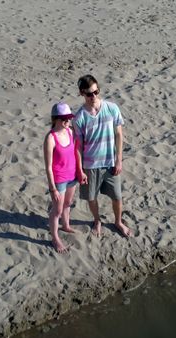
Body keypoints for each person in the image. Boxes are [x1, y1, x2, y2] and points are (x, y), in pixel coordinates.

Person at [73, 75, 132, 237]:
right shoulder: (79, 117)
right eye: (89, 94)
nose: (93, 97)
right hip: (90, 165)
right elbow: (78, 146)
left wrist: (119, 160)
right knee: (92, 197)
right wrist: (80, 169)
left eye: (96, 92)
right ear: (81, 94)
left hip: (110, 162)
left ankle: (118, 221)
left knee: (117, 196)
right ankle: (97, 220)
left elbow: (119, 135)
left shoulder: (112, 108)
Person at [43, 102, 82, 253]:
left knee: (68, 203)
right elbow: (48, 167)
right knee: (57, 210)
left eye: (69, 118)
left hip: (72, 176)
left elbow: (76, 153)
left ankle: (65, 225)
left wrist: (80, 172)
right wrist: (52, 188)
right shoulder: (50, 138)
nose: (68, 121)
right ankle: (55, 238)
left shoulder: (70, 132)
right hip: (59, 180)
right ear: (56, 119)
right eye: (65, 119)